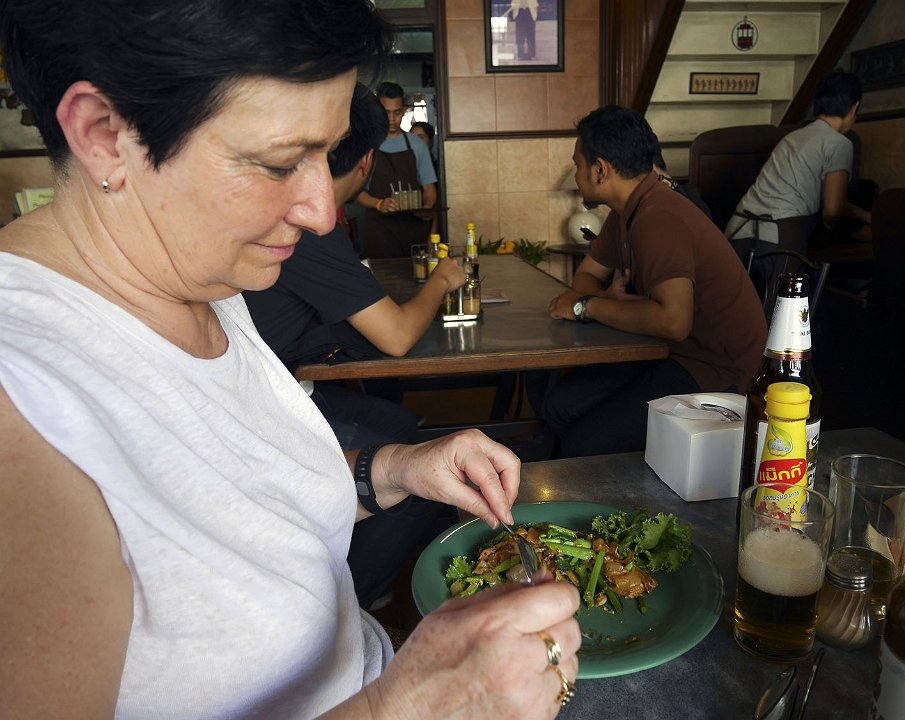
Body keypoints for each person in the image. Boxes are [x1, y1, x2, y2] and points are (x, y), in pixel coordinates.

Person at [0, 2, 581, 719]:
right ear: (103, 134)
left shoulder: (201, 275)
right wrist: (408, 708)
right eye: (279, 163)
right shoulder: (23, 409)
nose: (321, 212)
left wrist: (392, 470)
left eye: (326, 156)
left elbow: (235, 496)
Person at [244, 85, 466, 610]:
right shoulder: (310, 227)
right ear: (366, 160)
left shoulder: (298, 218)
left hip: (280, 383)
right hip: (268, 403)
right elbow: (397, 337)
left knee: (400, 424)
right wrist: (441, 280)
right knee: (421, 477)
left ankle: (356, 566)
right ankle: (354, 601)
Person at [543, 106, 767, 458]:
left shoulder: (659, 216)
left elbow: (673, 322)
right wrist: (610, 303)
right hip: (669, 351)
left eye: (578, 165)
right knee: (559, 405)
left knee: (584, 442)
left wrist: (589, 307)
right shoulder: (625, 212)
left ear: (600, 170)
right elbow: (585, 277)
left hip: (719, 371)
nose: (576, 175)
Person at [725, 69, 872, 260]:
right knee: (794, 282)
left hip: (738, 233)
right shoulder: (839, 143)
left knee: (741, 282)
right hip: (781, 242)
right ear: (854, 107)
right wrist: (829, 225)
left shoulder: (792, 137)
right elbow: (832, 209)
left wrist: (862, 214)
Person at [356, 81, 437, 258]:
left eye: (397, 112)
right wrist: (379, 203)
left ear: (404, 110)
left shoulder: (417, 145)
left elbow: (429, 189)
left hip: (413, 231)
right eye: (386, 113)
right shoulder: (367, 146)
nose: (392, 119)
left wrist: (427, 207)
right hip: (379, 232)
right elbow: (357, 193)